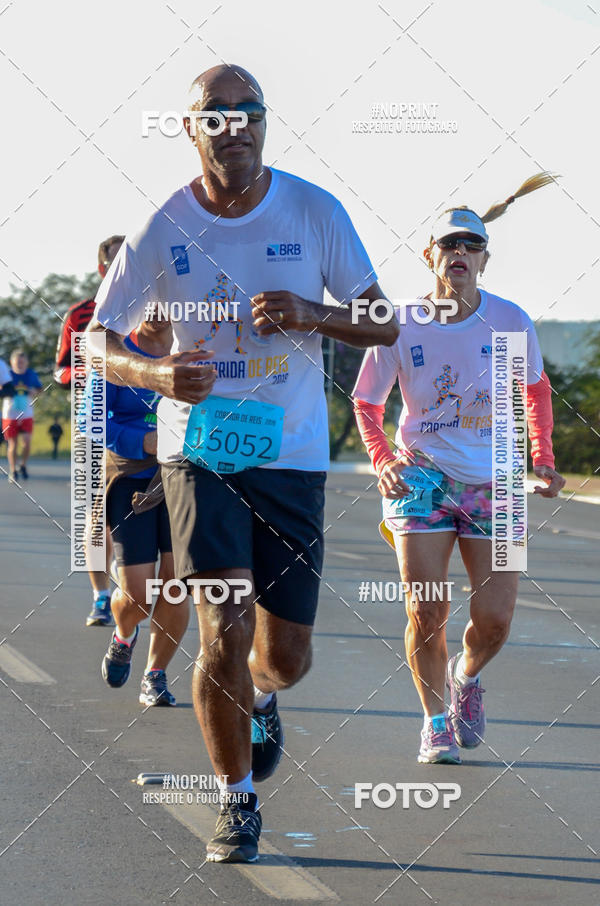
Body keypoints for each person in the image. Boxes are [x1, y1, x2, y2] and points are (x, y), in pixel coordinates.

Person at [88, 63, 398, 863]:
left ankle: (262, 697)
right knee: (221, 620)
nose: (235, 123)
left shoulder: (313, 209)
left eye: (249, 110)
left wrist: (311, 314)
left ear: (265, 123)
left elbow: (382, 322)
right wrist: (157, 375)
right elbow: (99, 341)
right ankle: (236, 802)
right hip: (199, 451)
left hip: (290, 455)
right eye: (216, 113)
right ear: (191, 129)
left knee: (286, 657)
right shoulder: (164, 224)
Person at [353, 173, 565, 765]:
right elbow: (367, 403)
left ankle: (465, 678)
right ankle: (434, 720)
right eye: (449, 245)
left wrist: (542, 460)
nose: (460, 254)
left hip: (496, 477)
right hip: (420, 476)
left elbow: (535, 391)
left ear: (484, 259)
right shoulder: (398, 322)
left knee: (493, 620)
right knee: (425, 607)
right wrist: (384, 460)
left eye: (471, 245)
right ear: (430, 255)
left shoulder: (510, 319)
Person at [83, 312, 188, 706]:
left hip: (186, 476)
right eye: (149, 301)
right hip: (132, 480)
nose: (158, 311)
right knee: (140, 595)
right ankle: (124, 634)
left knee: (177, 584)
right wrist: (143, 441)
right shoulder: (116, 352)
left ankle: (155, 675)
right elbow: (92, 421)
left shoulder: (193, 348)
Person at [54, 235, 125, 627]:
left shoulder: (155, 308)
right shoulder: (80, 315)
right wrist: (93, 369)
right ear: (102, 270)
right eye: (116, 263)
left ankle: (142, 595)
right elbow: (60, 369)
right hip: (95, 421)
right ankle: (101, 596)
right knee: (98, 517)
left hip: (149, 425)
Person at [2, 350, 42, 483]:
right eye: (17, 362)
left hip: (27, 413)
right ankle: (13, 471)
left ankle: (23, 465)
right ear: (11, 363)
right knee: (12, 444)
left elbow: (39, 389)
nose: (20, 364)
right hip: (10, 413)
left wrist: (34, 391)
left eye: (22, 362)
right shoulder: (7, 374)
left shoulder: (31, 374)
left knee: (27, 442)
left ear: (26, 363)